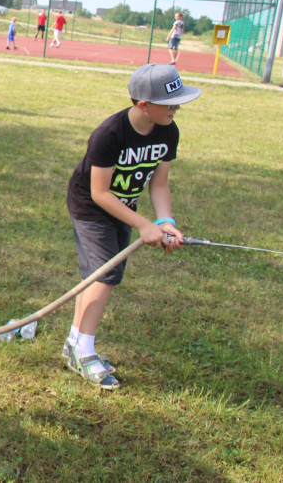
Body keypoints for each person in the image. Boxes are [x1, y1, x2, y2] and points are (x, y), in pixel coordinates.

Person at [63, 63, 202, 390]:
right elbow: (99, 192)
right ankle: (84, 350)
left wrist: (164, 221)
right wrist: (143, 225)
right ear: (144, 105)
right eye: (171, 104)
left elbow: (159, 184)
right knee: (105, 274)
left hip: (123, 207)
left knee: (97, 275)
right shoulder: (109, 134)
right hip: (91, 206)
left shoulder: (169, 130)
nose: (177, 108)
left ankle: (73, 344)